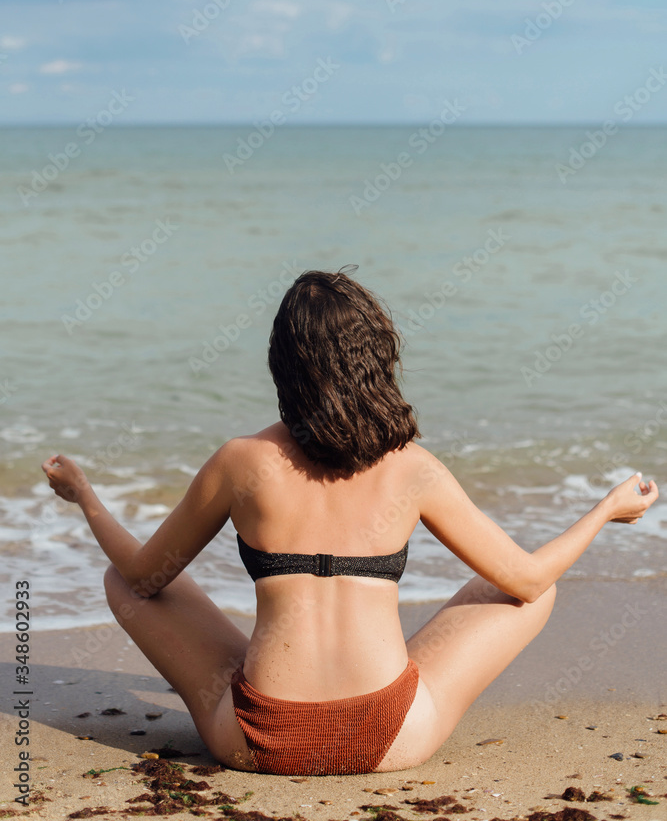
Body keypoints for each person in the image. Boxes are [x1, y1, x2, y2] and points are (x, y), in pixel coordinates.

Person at [42, 268, 659, 776]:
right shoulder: (412, 468)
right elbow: (524, 580)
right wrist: (605, 510)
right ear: (377, 358)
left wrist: (85, 496)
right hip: (392, 738)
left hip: (259, 743)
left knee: (124, 578)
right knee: (529, 587)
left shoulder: (243, 461)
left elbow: (144, 576)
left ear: (283, 365)